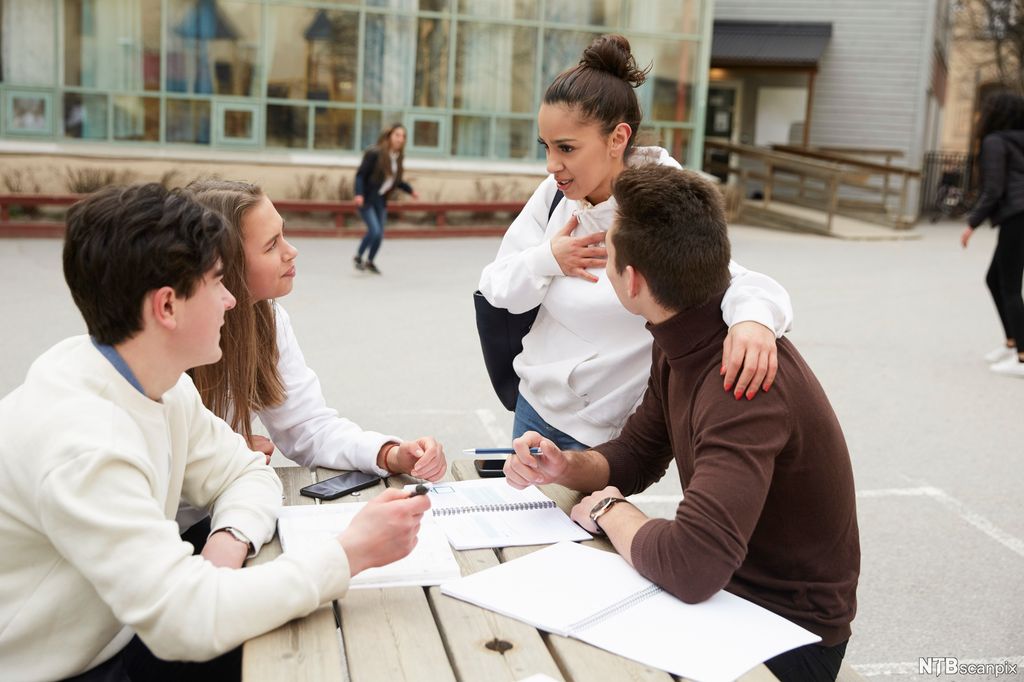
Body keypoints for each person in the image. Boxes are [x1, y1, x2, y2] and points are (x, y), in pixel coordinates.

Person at [0, 183, 429, 682]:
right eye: (217, 282)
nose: (231, 300)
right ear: (167, 307)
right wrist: (348, 554)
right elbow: (186, 620)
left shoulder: (154, 383)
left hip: (122, 632)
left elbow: (248, 471)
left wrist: (229, 538)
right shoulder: (86, 444)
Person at [505, 166, 860, 682]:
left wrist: (611, 509)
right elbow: (640, 451)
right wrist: (566, 466)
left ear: (632, 279)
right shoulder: (684, 333)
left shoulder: (740, 380)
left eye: (608, 250)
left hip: (786, 634)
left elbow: (693, 565)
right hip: (727, 599)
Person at [478, 34, 792, 452]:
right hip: (531, 405)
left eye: (566, 148)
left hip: (601, 435)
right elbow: (496, 287)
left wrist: (753, 319)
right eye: (547, 147)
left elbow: (734, 280)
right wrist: (547, 259)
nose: (552, 164)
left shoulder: (661, 204)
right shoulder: (553, 196)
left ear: (617, 139)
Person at [960, 91, 1024, 378]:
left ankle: (1022, 356)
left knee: (1009, 286)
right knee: (995, 279)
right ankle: (1012, 343)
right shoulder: (1016, 140)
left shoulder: (995, 141)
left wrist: (972, 222)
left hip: (1016, 216)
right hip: (1017, 215)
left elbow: (995, 188)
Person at [353, 123, 418, 274]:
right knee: (374, 230)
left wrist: (411, 191)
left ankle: (370, 261)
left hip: (380, 200)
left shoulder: (397, 157)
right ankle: (358, 256)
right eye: (397, 135)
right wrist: (359, 194)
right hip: (367, 198)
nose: (400, 139)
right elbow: (361, 175)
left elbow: (397, 180)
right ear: (389, 136)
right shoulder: (374, 153)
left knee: (379, 233)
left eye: (403, 136)